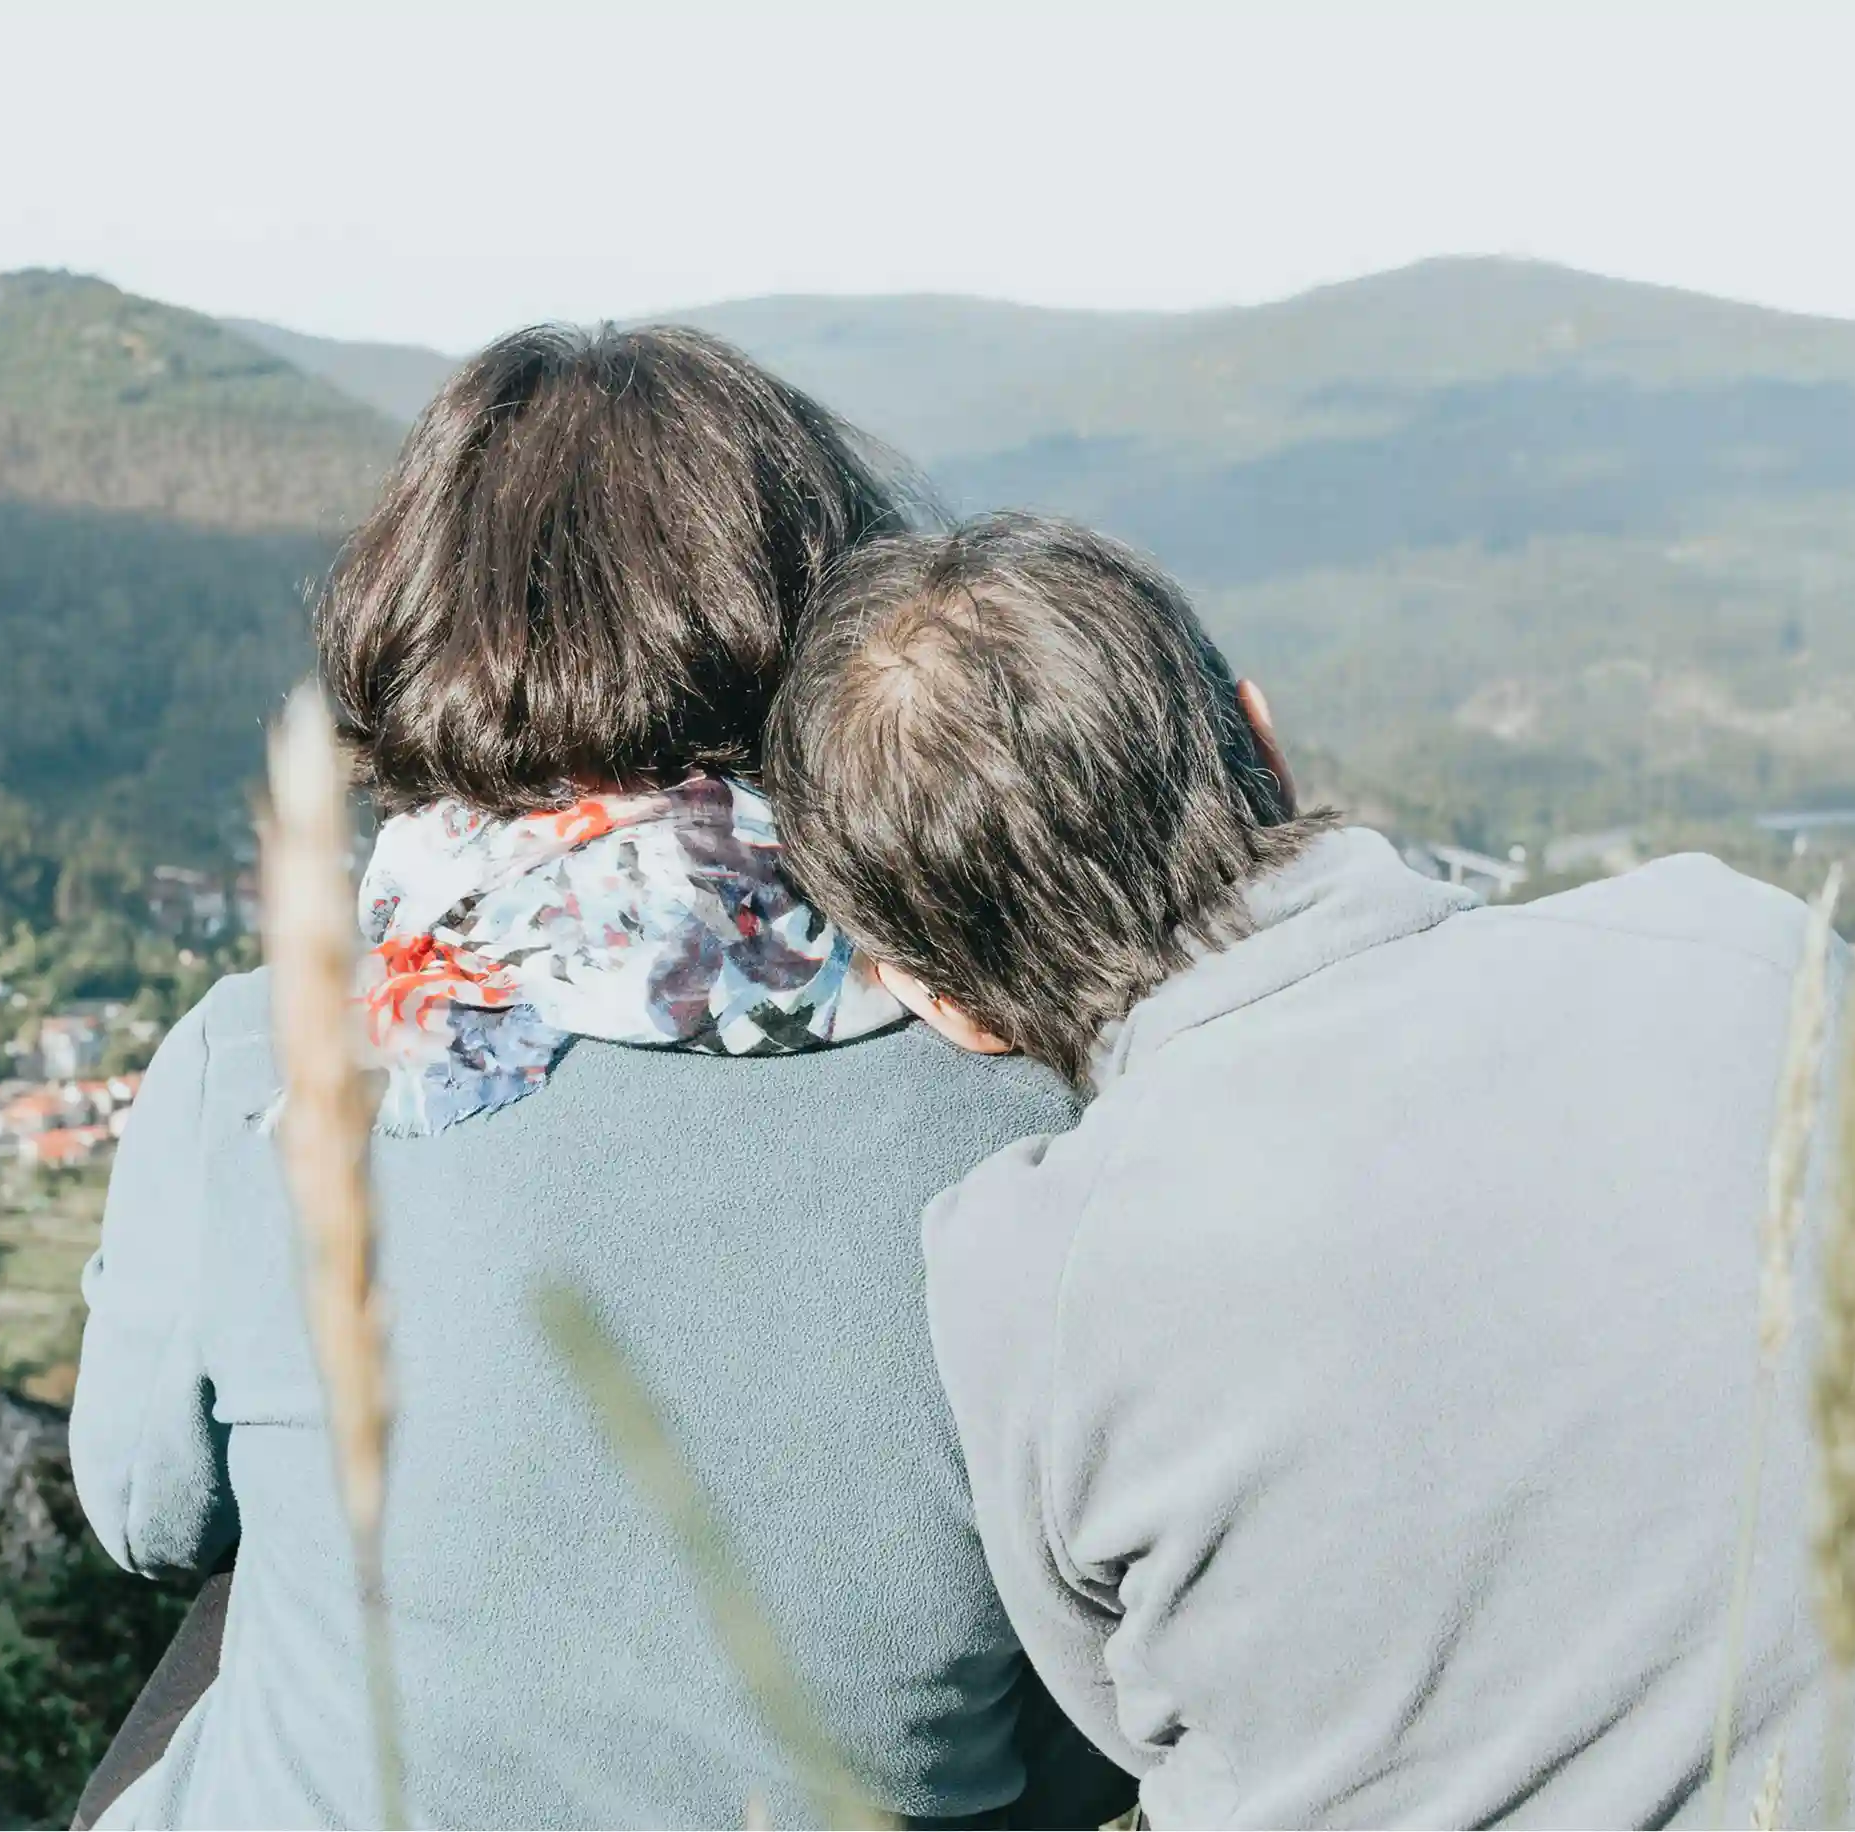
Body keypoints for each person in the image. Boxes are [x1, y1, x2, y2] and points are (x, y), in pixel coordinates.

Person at [762, 514, 1855, 1829]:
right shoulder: (1747, 957)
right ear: (1258, 734)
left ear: (942, 1000)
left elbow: (1122, 1711)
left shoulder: (1020, 1271)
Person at [69, 332, 1134, 1829]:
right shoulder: (1037, 1107)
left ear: (405, 620)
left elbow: (148, 1516)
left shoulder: (266, 1059)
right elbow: (1084, 1727)